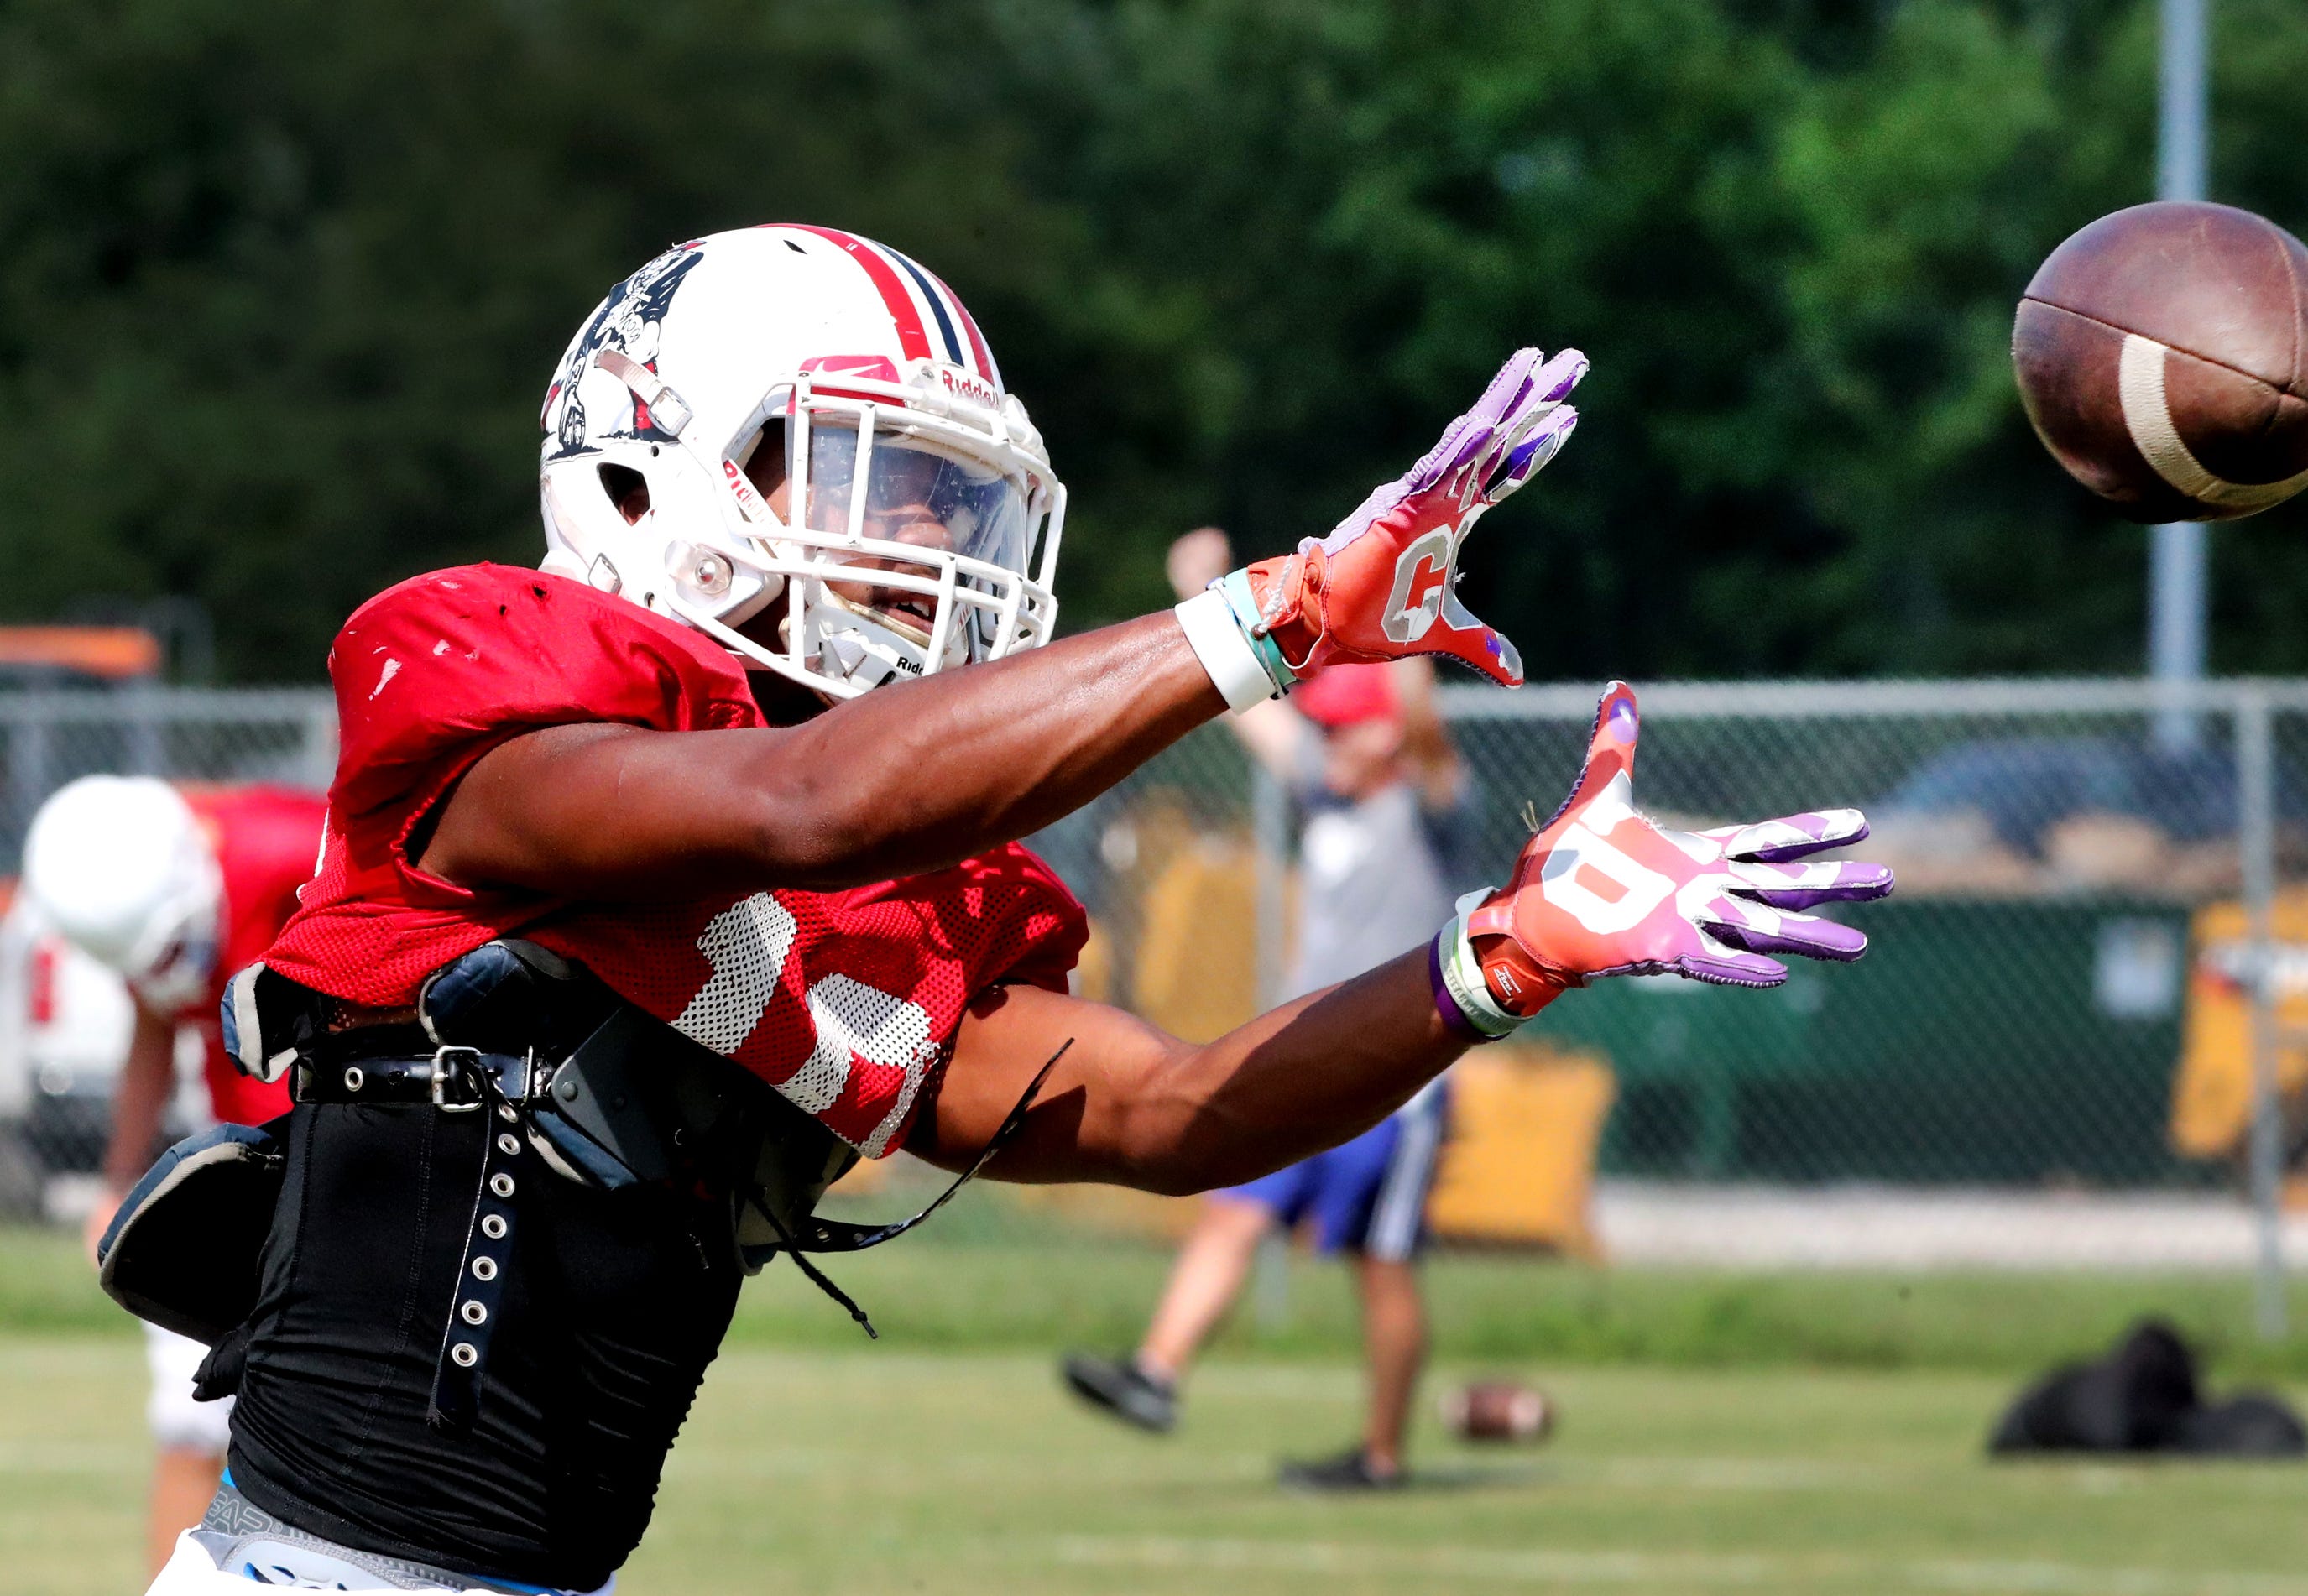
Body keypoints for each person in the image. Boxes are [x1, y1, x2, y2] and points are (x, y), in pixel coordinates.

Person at [126, 225, 1888, 1596]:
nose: (918, 547)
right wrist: (1263, 625)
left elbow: (1168, 1111)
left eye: (946, 498)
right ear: (651, 473)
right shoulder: (499, 701)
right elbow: (793, 807)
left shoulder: (902, 892)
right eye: (871, 482)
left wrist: (1491, 962)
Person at [1061, 528, 1480, 1490]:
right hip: (1308, 1055)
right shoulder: (1326, 797)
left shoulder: (1424, 803)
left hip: (1396, 1083)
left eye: (1347, 726)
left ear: (1385, 735)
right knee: (1233, 1211)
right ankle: (1155, 1375)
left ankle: (1378, 1457)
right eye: (1326, 727)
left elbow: (1422, 724)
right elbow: (1246, 701)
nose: (1329, 738)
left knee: (1380, 1267)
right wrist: (1197, 592)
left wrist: (1413, 605)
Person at [18, 775, 325, 1576]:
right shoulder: (135, 880)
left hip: (354, 1157)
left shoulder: (298, 848)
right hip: (256, 1162)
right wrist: (116, 1180)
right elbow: (158, 1013)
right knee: (192, 1417)